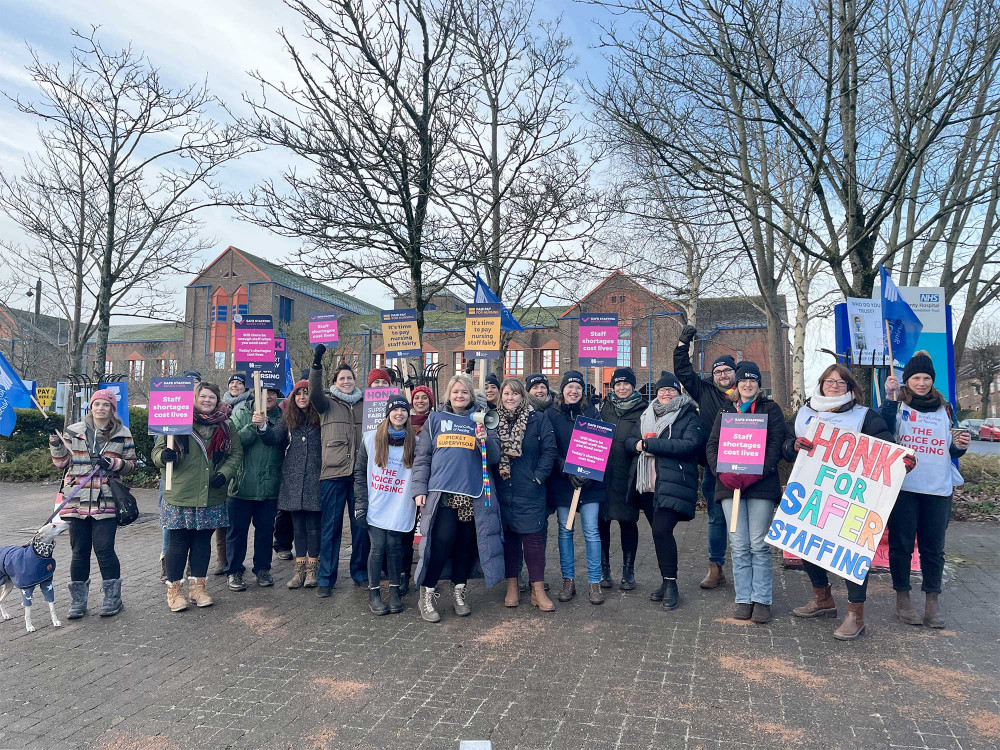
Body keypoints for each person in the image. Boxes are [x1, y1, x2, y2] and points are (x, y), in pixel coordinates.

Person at [785, 364, 898, 639]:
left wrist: (901, 461)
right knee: (807, 544)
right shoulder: (803, 414)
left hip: (850, 497)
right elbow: (783, 445)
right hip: (812, 494)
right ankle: (823, 598)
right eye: (829, 381)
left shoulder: (864, 416)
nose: (834, 385)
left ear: (850, 387)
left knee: (849, 553)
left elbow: (885, 446)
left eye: (840, 382)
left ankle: (855, 614)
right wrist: (792, 446)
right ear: (821, 383)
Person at [882, 351, 969, 628]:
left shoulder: (945, 407)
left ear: (933, 380)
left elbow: (950, 447)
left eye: (927, 378)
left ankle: (933, 600)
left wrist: (961, 447)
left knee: (934, 548)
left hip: (938, 488)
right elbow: (882, 431)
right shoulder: (898, 404)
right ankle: (903, 597)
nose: (922, 383)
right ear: (907, 380)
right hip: (905, 487)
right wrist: (888, 399)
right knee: (902, 546)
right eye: (916, 378)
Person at [411, 374, 503, 623]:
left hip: (473, 492)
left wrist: (485, 441)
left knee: (466, 544)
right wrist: (419, 488)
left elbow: (494, 457)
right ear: (448, 395)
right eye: (455, 392)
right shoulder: (435, 419)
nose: (460, 396)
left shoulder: (482, 420)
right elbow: (423, 457)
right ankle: (427, 593)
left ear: (471, 395)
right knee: (441, 542)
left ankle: (459, 591)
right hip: (443, 492)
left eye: (464, 392)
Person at [706, 362, 785, 623]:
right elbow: (713, 446)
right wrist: (723, 472)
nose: (747, 385)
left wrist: (757, 471)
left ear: (759, 385)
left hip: (760, 486)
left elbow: (775, 444)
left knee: (759, 544)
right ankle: (743, 597)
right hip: (730, 487)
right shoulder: (725, 411)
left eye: (752, 381)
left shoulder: (770, 409)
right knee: (739, 545)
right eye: (743, 381)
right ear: (736, 385)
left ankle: (762, 599)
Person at [153, 382, 243, 612]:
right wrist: (163, 456)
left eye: (212, 397)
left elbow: (236, 454)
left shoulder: (226, 424)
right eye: (203, 396)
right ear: (195, 398)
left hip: (211, 494)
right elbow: (156, 451)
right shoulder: (178, 421)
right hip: (181, 492)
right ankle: (174, 591)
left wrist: (225, 474)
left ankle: (198, 588)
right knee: (178, 542)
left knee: (202, 542)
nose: (207, 400)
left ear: (217, 400)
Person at [47, 389, 136, 619]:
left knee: (105, 550)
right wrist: (56, 443)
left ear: (112, 409)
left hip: (106, 498)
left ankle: (113, 598)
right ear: (91, 406)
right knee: (79, 551)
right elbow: (61, 463)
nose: (101, 408)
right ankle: (78, 601)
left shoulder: (123, 433)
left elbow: (131, 465)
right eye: (97, 404)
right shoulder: (74, 431)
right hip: (76, 498)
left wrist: (113, 463)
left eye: (106, 405)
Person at [626, 372, 705, 611]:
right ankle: (665, 581)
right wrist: (637, 444)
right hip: (648, 484)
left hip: (673, 482)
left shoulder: (688, 415)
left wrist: (652, 445)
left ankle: (672, 585)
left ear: (679, 394)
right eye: (662, 390)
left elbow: (690, 445)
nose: (666, 393)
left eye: (671, 390)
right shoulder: (646, 414)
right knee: (659, 534)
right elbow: (630, 441)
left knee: (662, 530)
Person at [674, 325, 737, 590]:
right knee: (716, 519)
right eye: (717, 372)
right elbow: (683, 371)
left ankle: (747, 568)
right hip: (714, 468)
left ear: (736, 372)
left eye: (726, 370)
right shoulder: (705, 391)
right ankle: (715, 567)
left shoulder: (747, 392)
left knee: (744, 522)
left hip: (747, 468)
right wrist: (682, 343)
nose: (722, 375)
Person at [495, 378, 558, 611]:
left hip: (529, 488)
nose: (510, 398)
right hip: (503, 489)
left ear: (523, 397)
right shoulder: (492, 421)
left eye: (515, 394)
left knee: (533, 541)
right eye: (506, 394)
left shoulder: (538, 419)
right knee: (509, 540)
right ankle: (512, 586)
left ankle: (537, 590)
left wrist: (538, 478)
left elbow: (549, 451)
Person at [309, 346, 366, 595]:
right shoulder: (326, 404)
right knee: (330, 527)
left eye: (350, 378)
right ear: (334, 382)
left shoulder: (366, 404)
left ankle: (360, 572)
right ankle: (325, 579)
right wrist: (317, 363)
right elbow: (313, 391)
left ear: (355, 382)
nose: (346, 381)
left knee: (360, 526)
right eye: (342, 378)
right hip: (333, 473)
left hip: (360, 475)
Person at [354, 394, 419, 615]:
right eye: (395, 410)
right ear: (387, 413)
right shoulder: (370, 439)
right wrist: (360, 503)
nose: (399, 413)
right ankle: (374, 593)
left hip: (399, 504)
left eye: (403, 410)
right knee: (378, 546)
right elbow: (360, 473)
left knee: (394, 547)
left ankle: (394, 592)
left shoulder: (415, 442)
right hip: (376, 503)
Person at [547, 370, 605, 605]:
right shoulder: (551, 415)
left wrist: (588, 475)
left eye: (578, 388)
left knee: (591, 531)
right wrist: (567, 469)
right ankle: (568, 579)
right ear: (562, 390)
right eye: (569, 387)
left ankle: (594, 582)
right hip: (564, 482)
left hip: (589, 484)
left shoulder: (592, 413)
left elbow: (600, 447)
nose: (573, 391)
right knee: (565, 530)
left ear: (583, 392)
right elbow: (551, 448)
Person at [262, 380, 323, 589]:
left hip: (315, 479)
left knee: (314, 527)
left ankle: (313, 569)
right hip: (294, 479)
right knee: (298, 527)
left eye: (306, 393)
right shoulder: (288, 419)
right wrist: (262, 426)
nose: (302, 397)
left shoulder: (321, 418)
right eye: (298, 394)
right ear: (293, 398)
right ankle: (299, 570)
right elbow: (272, 438)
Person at [225, 387, 284, 591]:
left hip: (270, 486)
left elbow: (283, 443)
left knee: (266, 532)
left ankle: (262, 569)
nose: (268, 396)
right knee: (237, 532)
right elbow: (234, 443)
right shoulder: (241, 413)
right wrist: (253, 426)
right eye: (263, 392)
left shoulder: (283, 417)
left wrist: (266, 427)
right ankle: (234, 571)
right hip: (241, 485)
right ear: (253, 395)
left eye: (272, 393)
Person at [598, 367, 645, 590]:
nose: (622, 387)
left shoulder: (643, 410)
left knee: (628, 523)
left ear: (633, 386)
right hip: (604, 476)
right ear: (613, 386)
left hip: (628, 476)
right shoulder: (604, 407)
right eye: (618, 384)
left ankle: (628, 570)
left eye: (626, 384)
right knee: (602, 523)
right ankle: (604, 568)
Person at [399, 385, 435, 595]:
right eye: (417, 398)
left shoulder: (436, 422)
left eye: (424, 398)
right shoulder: (404, 423)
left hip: (429, 484)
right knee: (406, 531)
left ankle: (429, 573)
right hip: (404, 485)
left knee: (429, 532)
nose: (420, 401)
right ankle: (404, 574)